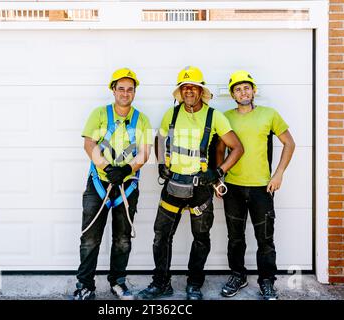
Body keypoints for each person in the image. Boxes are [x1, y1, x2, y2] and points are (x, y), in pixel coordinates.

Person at [137, 66, 243, 300]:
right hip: (173, 186)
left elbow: (237, 148)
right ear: (180, 92)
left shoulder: (214, 116)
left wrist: (218, 172)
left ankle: (194, 284)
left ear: (200, 91)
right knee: (161, 235)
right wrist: (162, 165)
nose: (189, 91)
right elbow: (160, 138)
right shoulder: (171, 114)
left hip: (200, 188)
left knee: (201, 238)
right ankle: (161, 283)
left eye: (193, 87)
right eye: (185, 87)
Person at [73, 68, 152, 300]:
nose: (125, 93)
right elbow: (89, 144)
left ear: (135, 92)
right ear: (113, 90)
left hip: (126, 188)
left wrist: (127, 170)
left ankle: (118, 282)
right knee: (90, 238)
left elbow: (145, 153)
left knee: (122, 239)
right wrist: (107, 168)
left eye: (130, 89)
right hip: (98, 184)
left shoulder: (142, 120)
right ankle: (85, 285)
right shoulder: (99, 114)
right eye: (121, 89)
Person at [218, 70, 295, 300]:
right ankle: (238, 276)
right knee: (235, 237)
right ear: (233, 94)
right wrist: (219, 178)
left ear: (254, 90)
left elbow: (289, 143)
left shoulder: (269, 114)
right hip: (233, 187)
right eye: (238, 89)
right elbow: (220, 149)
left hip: (262, 188)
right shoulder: (225, 117)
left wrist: (278, 174)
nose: (243, 92)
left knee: (265, 239)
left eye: (247, 87)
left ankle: (267, 281)